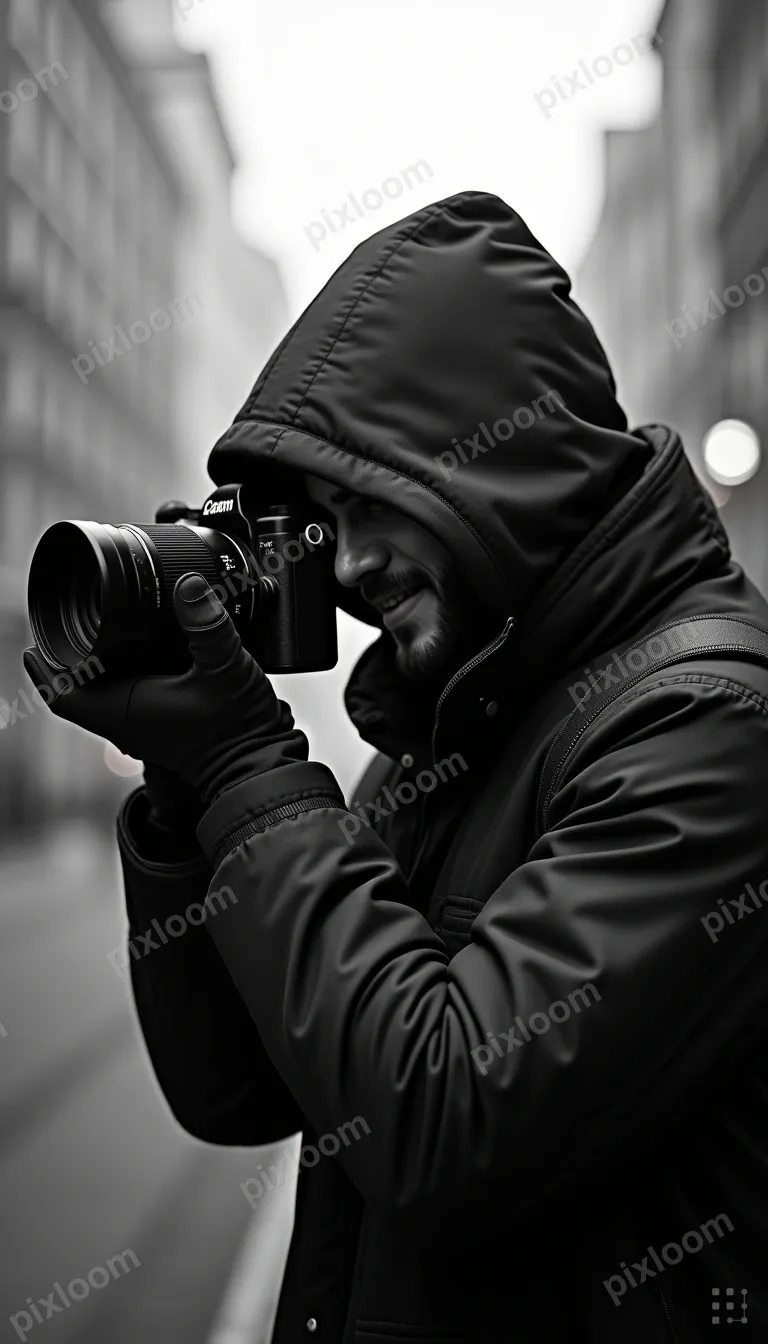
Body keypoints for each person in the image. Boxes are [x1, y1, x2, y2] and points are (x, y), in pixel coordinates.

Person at [24, 192, 768, 1341]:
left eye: (380, 503)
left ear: (506, 465)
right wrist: (181, 799)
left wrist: (243, 765)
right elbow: (242, 1086)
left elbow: (444, 1118)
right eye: (326, 520)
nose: (355, 563)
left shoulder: (711, 729)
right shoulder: (461, 713)